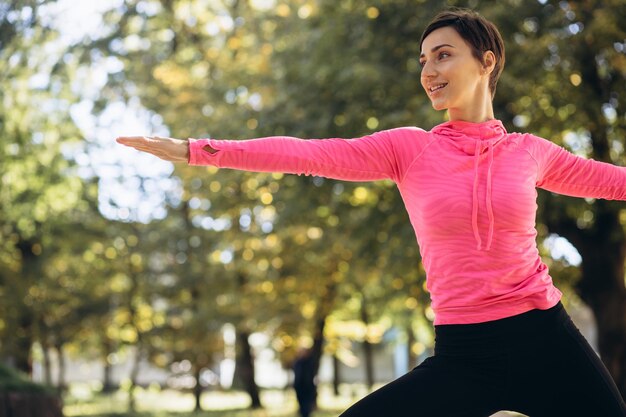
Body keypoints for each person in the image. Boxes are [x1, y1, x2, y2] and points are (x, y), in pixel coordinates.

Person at [117, 8, 626, 417]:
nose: (428, 72)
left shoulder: (529, 151)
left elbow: (615, 182)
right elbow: (307, 153)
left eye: (443, 56)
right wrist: (196, 150)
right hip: (465, 352)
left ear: (487, 61)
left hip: (546, 340)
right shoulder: (409, 149)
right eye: (423, 61)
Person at [292, 348, 317, 417]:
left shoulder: (310, 363)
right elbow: (297, 375)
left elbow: (312, 375)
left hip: (308, 387)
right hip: (299, 387)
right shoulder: (297, 363)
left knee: (307, 406)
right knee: (301, 404)